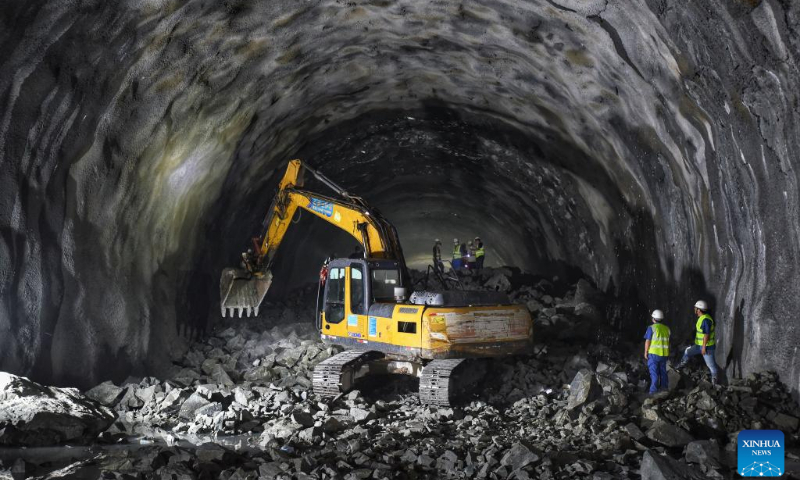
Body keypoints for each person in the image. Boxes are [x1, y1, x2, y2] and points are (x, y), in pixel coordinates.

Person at [675, 300, 720, 385]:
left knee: (711, 366)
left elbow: (707, 334)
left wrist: (703, 347)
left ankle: (715, 385)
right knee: (687, 352)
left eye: (696, 308)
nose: (695, 309)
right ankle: (679, 367)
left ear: (699, 309)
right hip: (698, 346)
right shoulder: (702, 318)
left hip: (707, 348)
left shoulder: (706, 320)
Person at [643, 309, 670, 395]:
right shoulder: (667, 329)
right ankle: (664, 389)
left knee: (654, 373)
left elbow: (648, 341)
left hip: (654, 354)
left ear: (653, 318)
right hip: (664, 354)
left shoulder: (651, 328)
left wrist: (646, 352)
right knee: (663, 372)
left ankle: (652, 392)